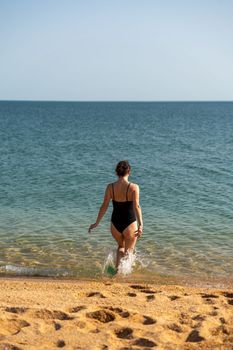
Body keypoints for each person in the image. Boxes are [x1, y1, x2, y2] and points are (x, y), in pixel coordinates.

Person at [88, 160, 143, 271]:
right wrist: (141, 224)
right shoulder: (134, 187)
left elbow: (104, 206)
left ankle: (118, 271)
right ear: (129, 171)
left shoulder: (110, 187)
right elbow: (137, 206)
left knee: (121, 247)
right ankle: (125, 275)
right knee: (129, 251)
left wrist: (96, 223)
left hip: (115, 224)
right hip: (130, 223)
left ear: (117, 172)